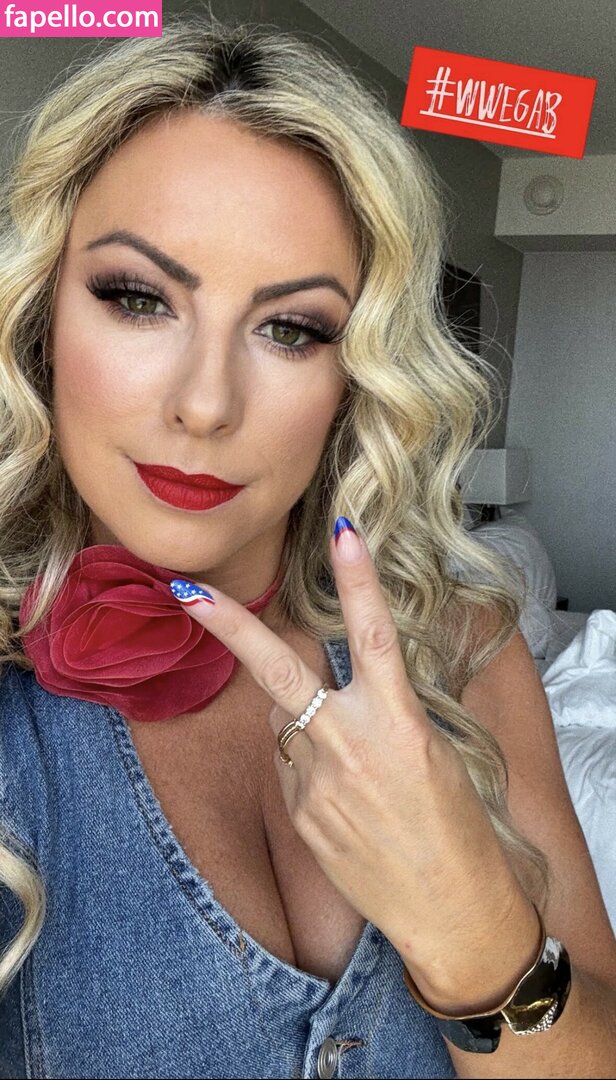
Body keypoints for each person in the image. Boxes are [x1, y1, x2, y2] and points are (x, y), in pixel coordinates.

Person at [0, 11, 614, 1079]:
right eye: (138, 298)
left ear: (354, 377)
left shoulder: (462, 645)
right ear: (43, 322)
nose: (205, 403)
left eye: (292, 328)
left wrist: (472, 931)